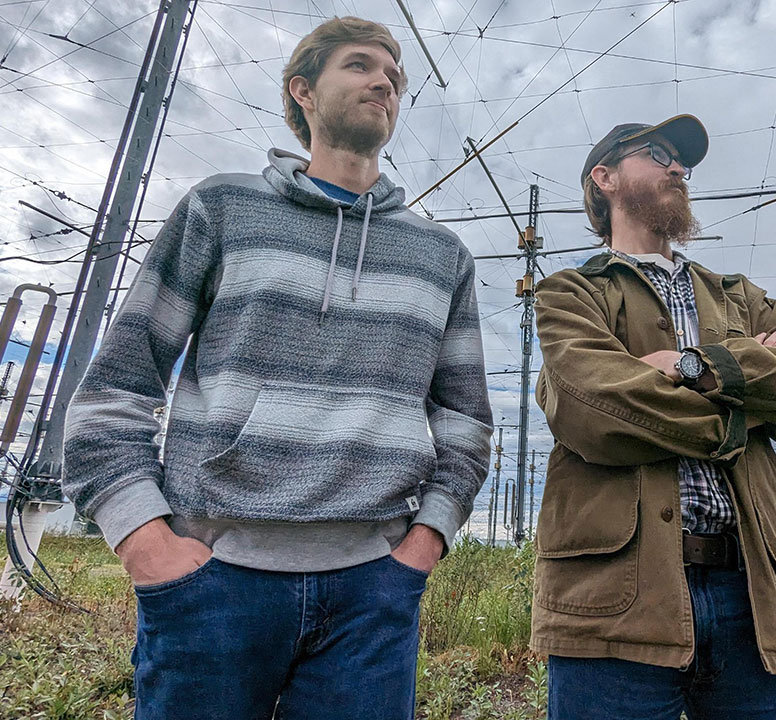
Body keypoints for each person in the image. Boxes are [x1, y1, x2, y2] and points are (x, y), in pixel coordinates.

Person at [62, 16, 492, 719]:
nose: (385, 79)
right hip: (212, 578)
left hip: (374, 587)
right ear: (303, 92)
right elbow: (117, 387)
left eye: (395, 75)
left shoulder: (443, 257)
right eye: (360, 65)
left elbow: (466, 421)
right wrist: (143, 537)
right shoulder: (222, 208)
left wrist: (425, 542)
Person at [531, 114, 776, 719]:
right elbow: (590, 405)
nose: (679, 168)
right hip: (612, 601)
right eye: (658, 154)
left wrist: (692, 365)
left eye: (684, 162)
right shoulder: (570, 293)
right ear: (605, 177)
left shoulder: (738, 295)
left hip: (751, 598)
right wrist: (747, 411)